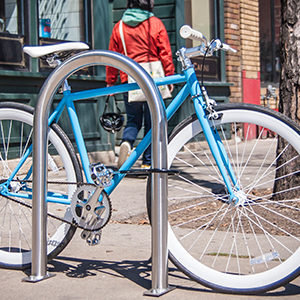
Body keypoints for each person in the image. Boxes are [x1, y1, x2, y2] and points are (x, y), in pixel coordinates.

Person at [106, 0, 175, 169]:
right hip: (154, 79)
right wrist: (170, 75)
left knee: (133, 121)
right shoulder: (155, 24)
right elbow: (165, 52)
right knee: (153, 121)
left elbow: (112, 57)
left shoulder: (119, 27)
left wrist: (110, 81)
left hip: (129, 79)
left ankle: (127, 143)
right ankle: (147, 161)